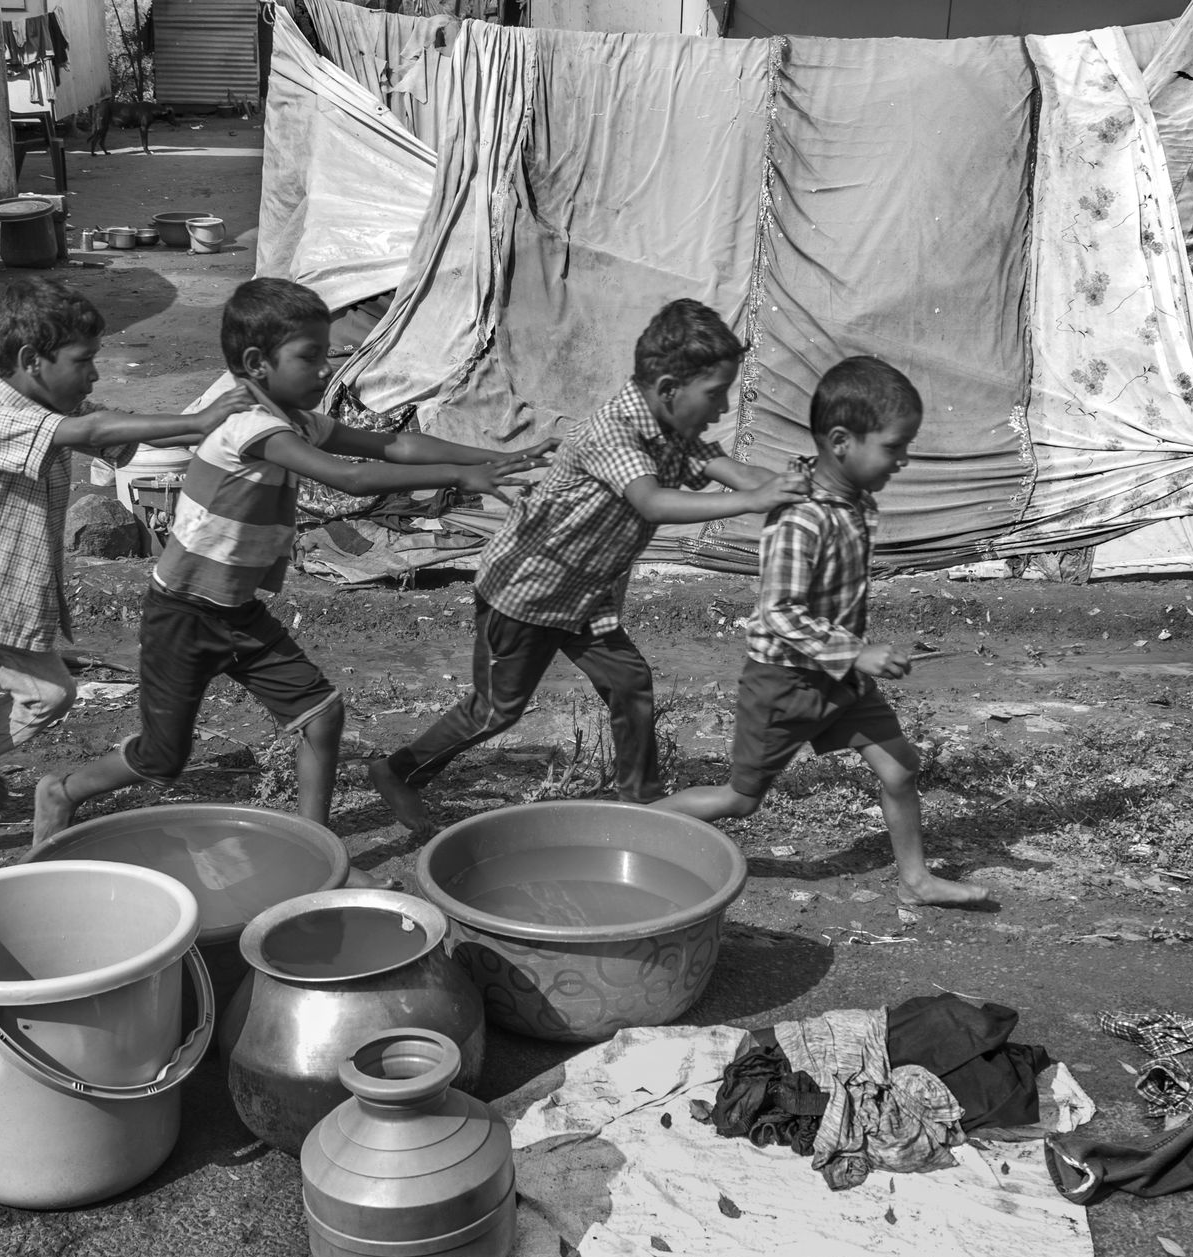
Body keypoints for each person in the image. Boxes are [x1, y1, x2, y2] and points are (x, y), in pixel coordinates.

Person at [28, 276, 545, 852]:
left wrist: (498, 460)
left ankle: (313, 848)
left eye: (327, 354)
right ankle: (63, 791)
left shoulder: (291, 416)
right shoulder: (248, 422)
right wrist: (458, 475)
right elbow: (349, 475)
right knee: (162, 757)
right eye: (312, 356)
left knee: (321, 716)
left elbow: (392, 446)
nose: (328, 369)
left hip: (236, 611)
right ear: (257, 362)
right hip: (183, 613)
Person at [368, 298, 807, 834]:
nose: (721, 410)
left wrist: (789, 492)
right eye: (715, 395)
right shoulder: (614, 432)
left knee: (628, 681)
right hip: (526, 594)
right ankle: (397, 772)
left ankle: (638, 801)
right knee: (495, 711)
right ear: (669, 388)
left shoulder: (667, 426)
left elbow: (721, 466)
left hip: (583, 595)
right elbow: (653, 503)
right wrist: (754, 502)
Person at [0, 278, 258, 870]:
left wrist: (216, 426)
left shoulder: (47, 405)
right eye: (84, 362)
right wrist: (208, 414)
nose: (94, 375)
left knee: (50, 695)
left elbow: (109, 422)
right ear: (32, 361)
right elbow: (95, 432)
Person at [654, 355, 993, 908]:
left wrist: (856, 658)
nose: (904, 460)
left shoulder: (855, 501)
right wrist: (856, 652)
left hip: (839, 680)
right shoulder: (799, 516)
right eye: (893, 447)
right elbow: (780, 612)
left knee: (900, 767)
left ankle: (916, 881)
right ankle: (630, 829)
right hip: (785, 682)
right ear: (840, 441)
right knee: (740, 799)